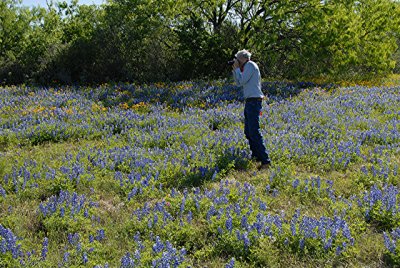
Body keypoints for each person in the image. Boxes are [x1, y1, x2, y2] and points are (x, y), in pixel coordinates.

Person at [232, 49, 271, 170]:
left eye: (237, 59)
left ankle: (265, 161)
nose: (237, 61)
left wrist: (238, 69)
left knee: (254, 131)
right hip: (250, 101)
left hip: (254, 101)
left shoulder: (250, 65)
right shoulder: (245, 67)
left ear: (243, 59)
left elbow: (242, 80)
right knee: (248, 132)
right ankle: (256, 156)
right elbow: (238, 83)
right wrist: (235, 70)